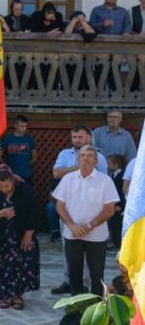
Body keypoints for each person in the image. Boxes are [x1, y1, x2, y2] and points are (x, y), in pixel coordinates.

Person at [52, 145, 120, 297]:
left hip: (96, 236)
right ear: (77, 159)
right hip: (72, 234)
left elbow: (110, 209)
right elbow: (59, 205)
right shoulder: (68, 179)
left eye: (90, 156)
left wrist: (90, 226)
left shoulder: (105, 181)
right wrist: (71, 226)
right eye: (83, 155)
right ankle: (75, 308)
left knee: (97, 276)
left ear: (96, 161)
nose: (86, 158)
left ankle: (96, 310)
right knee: (74, 274)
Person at [49, 126, 107, 294]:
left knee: (89, 251)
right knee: (67, 247)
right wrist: (80, 166)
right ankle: (69, 281)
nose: (77, 140)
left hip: (92, 212)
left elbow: (98, 177)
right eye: (74, 137)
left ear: (88, 138)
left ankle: (86, 284)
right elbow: (56, 173)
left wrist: (83, 164)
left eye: (80, 137)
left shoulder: (100, 157)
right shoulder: (64, 154)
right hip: (67, 210)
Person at [0, 164, 39, 310]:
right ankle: (5, 295)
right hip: (2, 235)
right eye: (0, 186)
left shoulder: (24, 188)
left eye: (7, 186)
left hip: (22, 233)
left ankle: (17, 296)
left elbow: (33, 211)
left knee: (21, 264)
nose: (4, 189)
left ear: (12, 180)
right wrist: (1, 213)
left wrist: (29, 234)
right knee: (1, 265)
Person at [0, 115, 37, 182]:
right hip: (11, 175)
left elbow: (35, 158)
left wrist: (25, 165)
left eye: (25, 126)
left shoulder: (29, 139)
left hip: (26, 175)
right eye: (22, 126)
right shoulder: (8, 139)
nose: (24, 128)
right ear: (15, 126)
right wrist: (6, 168)